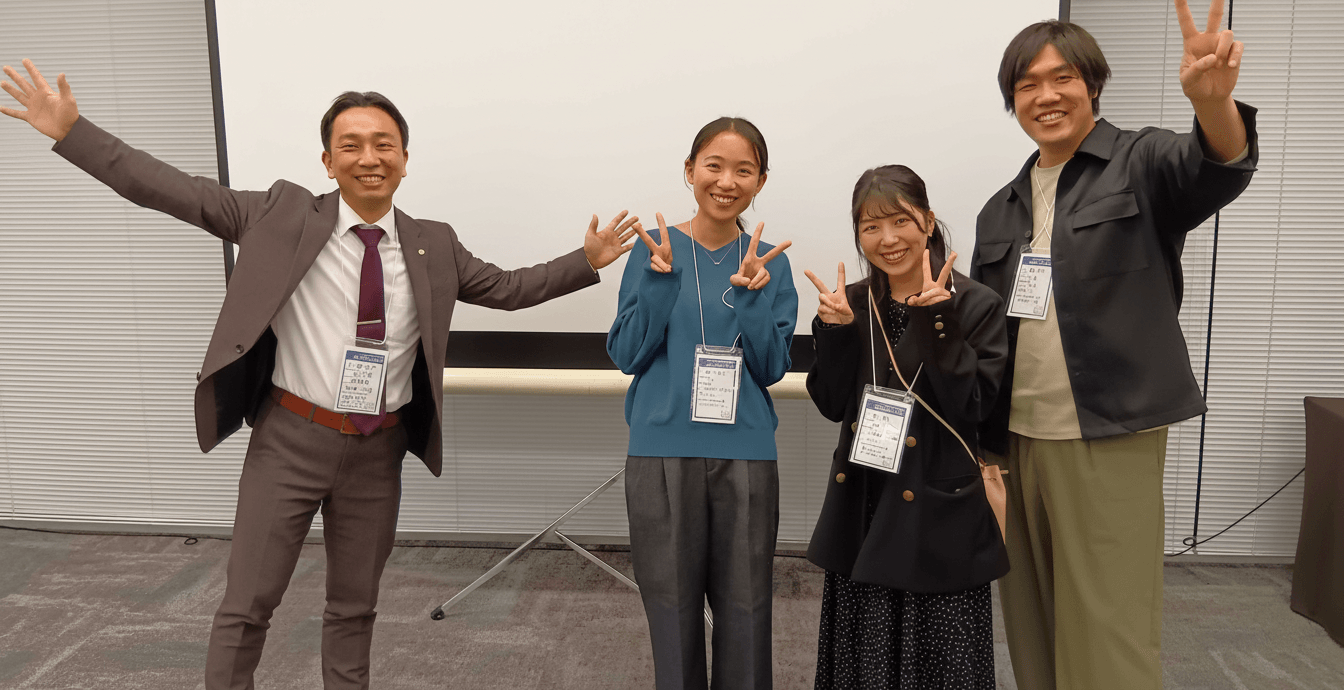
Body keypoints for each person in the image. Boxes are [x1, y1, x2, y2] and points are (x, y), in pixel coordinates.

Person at [0, 59, 638, 690]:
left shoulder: (433, 243)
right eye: (351, 146)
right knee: (247, 606)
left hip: (378, 449)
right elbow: (170, 188)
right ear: (328, 162)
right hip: (289, 441)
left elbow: (510, 288)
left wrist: (585, 260)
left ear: (405, 159)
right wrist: (74, 133)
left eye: (384, 144)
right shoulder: (279, 214)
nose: (369, 158)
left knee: (355, 609)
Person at [970, 0, 1258, 687]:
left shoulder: (1141, 160)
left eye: (1061, 78)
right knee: (1032, 624)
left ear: (1092, 84)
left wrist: (1212, 103)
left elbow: (1217, 166)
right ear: (1013, 101)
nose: (1045, 96)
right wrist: (983, 448)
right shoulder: (1000, 208)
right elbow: (992, 336)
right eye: (1027, 85)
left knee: (1109, 626)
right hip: (1017, 441)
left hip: (1108, 434)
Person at [607, 116, 797, 690]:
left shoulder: (769, 260)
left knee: (747, 611)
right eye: (714, 166)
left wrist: (754, 301)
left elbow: (772, 368)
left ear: (761, 180)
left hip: (746, 454)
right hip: (662, 450)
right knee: (671, 611)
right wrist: (658, 286)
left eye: (744, 170)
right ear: (690, 171)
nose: (726, 181)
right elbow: (626, 355)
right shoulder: (655, 251)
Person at [804, 165, 1009, 689]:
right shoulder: (851, 303)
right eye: (871, 227)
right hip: (867, 502)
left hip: (937, 508)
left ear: (929, 222)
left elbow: (975, 408)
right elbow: (831, 404)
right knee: (865, 662)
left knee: (939, 665)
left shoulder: (973, 303)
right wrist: (834, 333)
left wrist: (939, 323)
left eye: (900, 221)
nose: (888, 239)